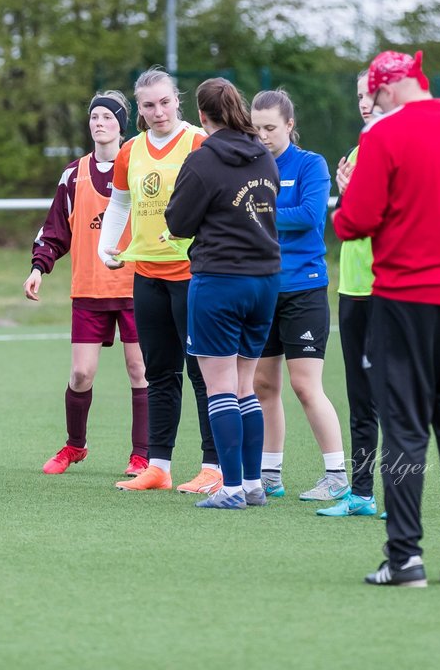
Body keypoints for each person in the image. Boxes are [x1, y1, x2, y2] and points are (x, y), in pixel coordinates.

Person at [333, 51, 440, 588]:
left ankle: (405, 557)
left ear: (385, 89)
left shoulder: (383, 136)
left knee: (405, 429)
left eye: (373, 94)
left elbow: (354, 221)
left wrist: (342, 203)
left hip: (406, 298)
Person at [98, 68, 221, 495]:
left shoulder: (200, 144)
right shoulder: (130, 151)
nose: (158, 111)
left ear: (177, 101)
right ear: (140, 110)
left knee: (203, 372)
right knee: (159, 373)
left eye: (165, 102)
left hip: (194, 276)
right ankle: (158, 466)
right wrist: (107, 247)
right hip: (147, 276)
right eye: (148, 105)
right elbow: (118, 205)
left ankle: (214, 465)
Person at [164, 78, 281, 509]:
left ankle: (230, 488)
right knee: (246, 386)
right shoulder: (264, 156)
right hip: (266, 281)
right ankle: (252, 484)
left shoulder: (202, 161)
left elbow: (178, 223)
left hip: (220, 281)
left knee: (220, 388)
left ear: (201, 116)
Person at [24, 92, 149, 477]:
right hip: (89, 289)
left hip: (135, 288)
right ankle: (75, 446)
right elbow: (55, 230)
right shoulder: (73, 173)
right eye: (94, 116)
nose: (99, 122)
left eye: (107, 117)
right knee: (81, 374)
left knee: (139, 370)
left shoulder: (140, 168)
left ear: (120, 125)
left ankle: (142, 455)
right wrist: (38, 267)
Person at [249, 90, 348, 503]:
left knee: (305, 385)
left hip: (304, 288)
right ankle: (270, 474)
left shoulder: (311, 165)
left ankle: (337, 475)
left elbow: (309, 216)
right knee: (262, 385)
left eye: (270, 128)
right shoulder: (250, 164)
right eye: (255, 128)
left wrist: (254, 215)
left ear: (289, 125)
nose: (262, 136)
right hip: (261, 288)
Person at [318, 70, 384, 519]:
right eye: (359, 94)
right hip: (353, 290)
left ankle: (400, 492)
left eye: (371, 94)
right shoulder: (359, 151)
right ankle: (362, 493)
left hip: (392, 291)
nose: (363, 102)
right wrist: (346, 195)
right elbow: (353, 219)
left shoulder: (400, 150)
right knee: (361, 398)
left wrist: (352, 194)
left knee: (395, 395)